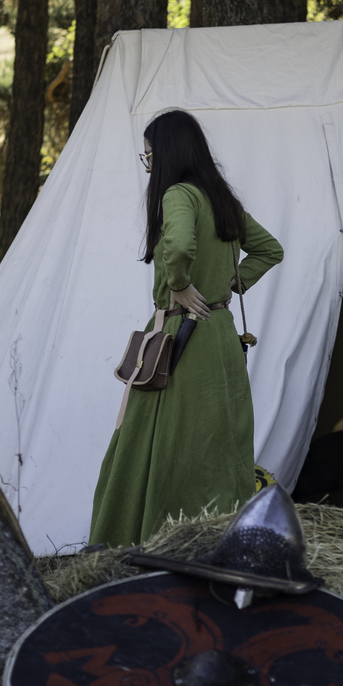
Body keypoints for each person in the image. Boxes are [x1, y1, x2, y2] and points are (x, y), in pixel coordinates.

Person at [89, 109, 283, 547]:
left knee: (161, 445)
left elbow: (178, 247)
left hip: (182, 339)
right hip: (221, 337)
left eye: (150, 156)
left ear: (168, 153)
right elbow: (270, 250)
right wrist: (228, 284)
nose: (149, 166)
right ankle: (219, 541)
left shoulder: (178, 195)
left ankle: (148, 542)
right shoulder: (221, 199)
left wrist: (179, 285)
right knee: (216, 446)